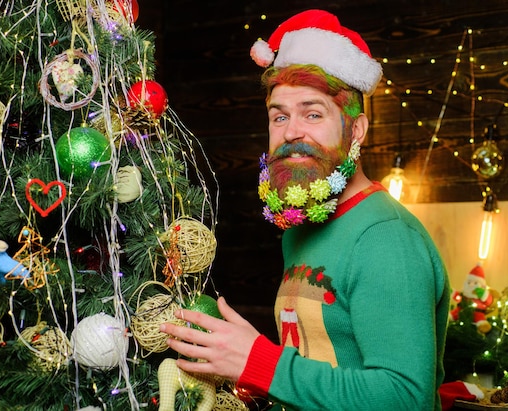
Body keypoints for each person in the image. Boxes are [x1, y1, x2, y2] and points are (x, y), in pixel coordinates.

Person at [160, 9, 451, 410]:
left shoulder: (385, 237)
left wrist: (257, 362)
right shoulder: (300, 229)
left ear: (358, 129)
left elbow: (405, 398)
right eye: (279, 115)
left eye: (313, 113)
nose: (292, 131)